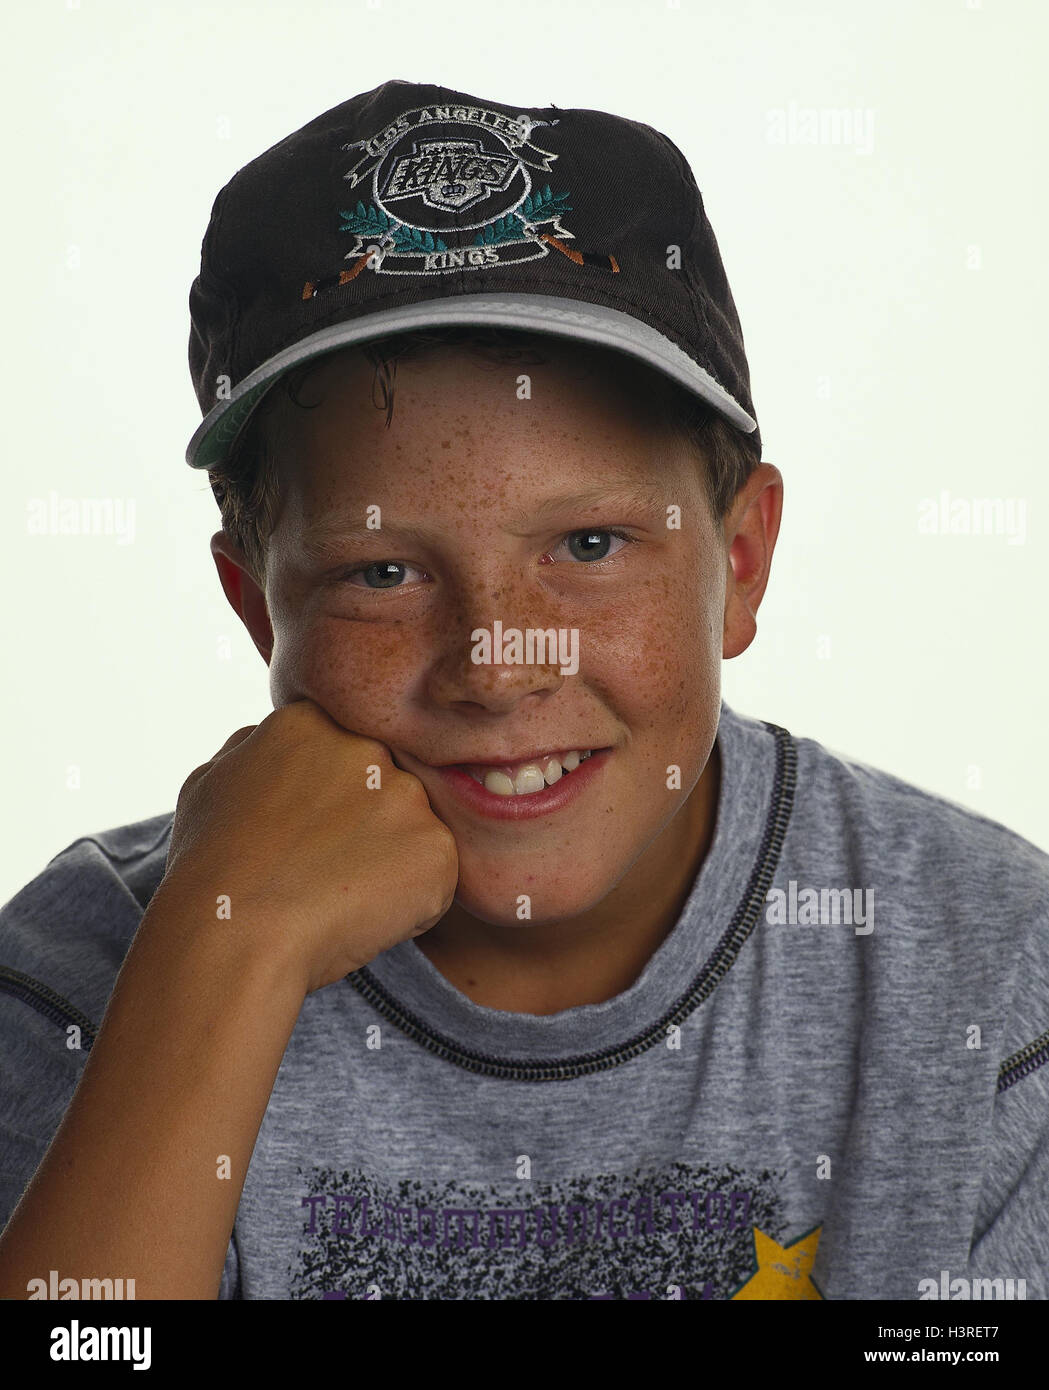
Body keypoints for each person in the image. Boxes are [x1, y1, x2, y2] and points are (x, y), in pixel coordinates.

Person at [0, 80, 1045, 1302]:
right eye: (382, 571)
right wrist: (229, 955)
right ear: (253, 604)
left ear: (741, 564)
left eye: (590, 547)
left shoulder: (989, 989)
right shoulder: (80, 981)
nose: (497, 665)